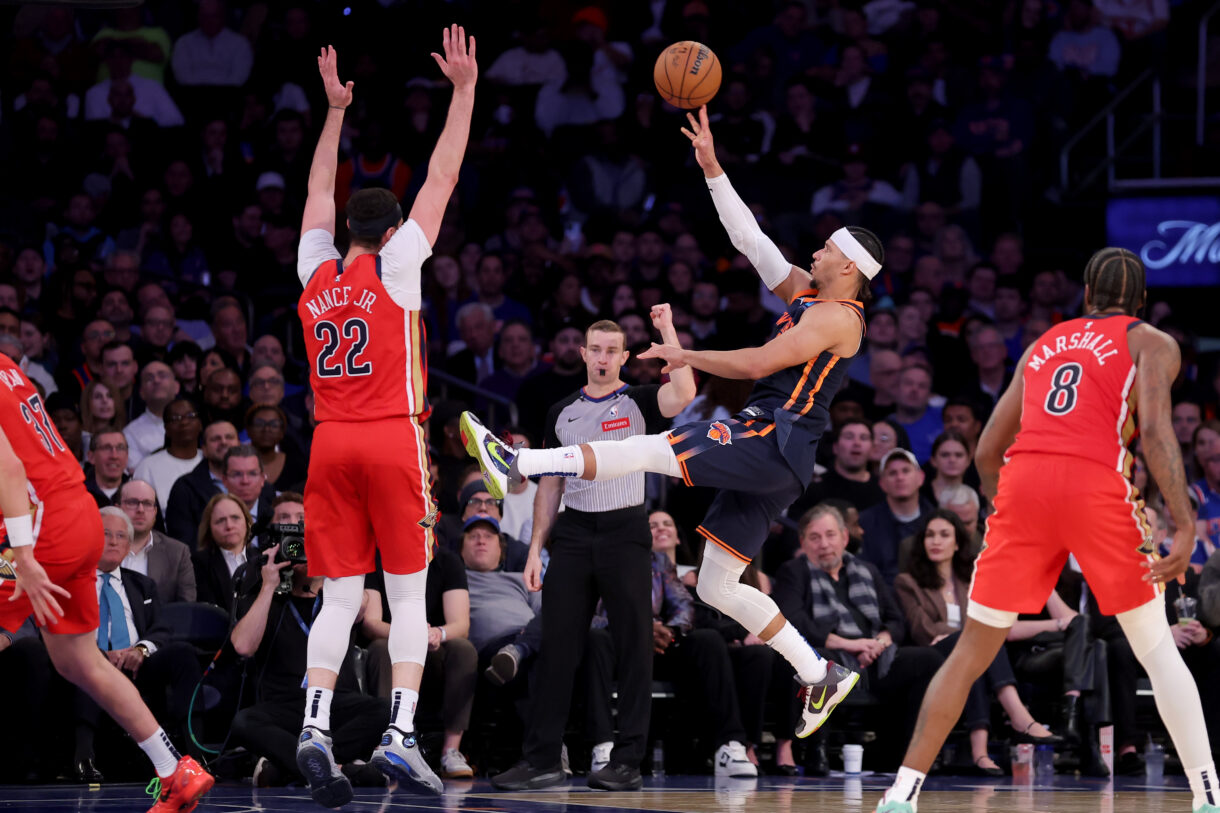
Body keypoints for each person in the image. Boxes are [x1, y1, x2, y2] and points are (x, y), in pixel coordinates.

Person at [464, 105, 880, 751]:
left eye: (827, 248)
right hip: (776, 451)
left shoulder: (840, 317)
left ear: (848, 266)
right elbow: (752, 242)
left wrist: (686, 354)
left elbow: (759, 362)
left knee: (651, 449)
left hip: (774, 438)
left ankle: (520, 463)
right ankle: (818, 672)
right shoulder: (812, 296)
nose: (815, 250)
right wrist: (712, 167)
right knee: (715, 583)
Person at [875, 248, 1220, 813]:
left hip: (1025, 485)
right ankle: (1209, 797)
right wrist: (1183, 525)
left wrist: (1006, 507)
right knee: (1158, 651)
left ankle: (901, 793)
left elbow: (987, 450)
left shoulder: (1042, 344)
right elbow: (1158, 432)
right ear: (1140, 302)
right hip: (1096, 485)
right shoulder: (1151, 341)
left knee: (968, 655)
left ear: (1085, 295)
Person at [292, 33, 475, 804]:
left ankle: (314, 724)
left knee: (338, 596)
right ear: (393, 230)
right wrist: (463, 91)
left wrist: (334, 112)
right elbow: (443, 173)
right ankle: (400, 733)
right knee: (406, 597)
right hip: (392, 434)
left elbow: (315, 193)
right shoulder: (399, 266)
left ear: (346, 231)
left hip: (329, 441)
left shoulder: (313, 269)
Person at [484, 310, 695, 793]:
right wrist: (536, 549)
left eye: (611, 351)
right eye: (595, 350)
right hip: (575, 533)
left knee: (634, 646)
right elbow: (550, 482)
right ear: (583, 354)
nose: (602, 358)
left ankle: (628, 761)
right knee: (557, 647)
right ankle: (541, 760)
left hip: (626, 529)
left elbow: (684, 394)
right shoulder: (561, 411)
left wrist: (667, 331)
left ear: (624, 357)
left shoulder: (640, 400)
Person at [0, 353, 212, 811]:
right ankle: (174, 769)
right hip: (80, 514)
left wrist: (23, 553)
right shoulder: (8, 367)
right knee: (79, 661)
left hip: (40, 527)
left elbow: (10, 470)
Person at [894, 510, 1061, 775]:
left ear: (957, 543)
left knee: (977, 647)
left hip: (965, 654)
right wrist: (965, 633)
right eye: (930, 535)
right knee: (977, 641)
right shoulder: (908, 583)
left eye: (944, 535)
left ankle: (980, 753)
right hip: (930, 656)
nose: (935, 541)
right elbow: (922, 629)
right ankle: (1017, 718)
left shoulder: (969, 581)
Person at [117, 479, 196, 604]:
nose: (140, 509)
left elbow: (186, 609)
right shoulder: (101, 548)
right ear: (118, 508)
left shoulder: (178, 553)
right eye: (132, 502)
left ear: (155, 512)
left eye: (147, 503)